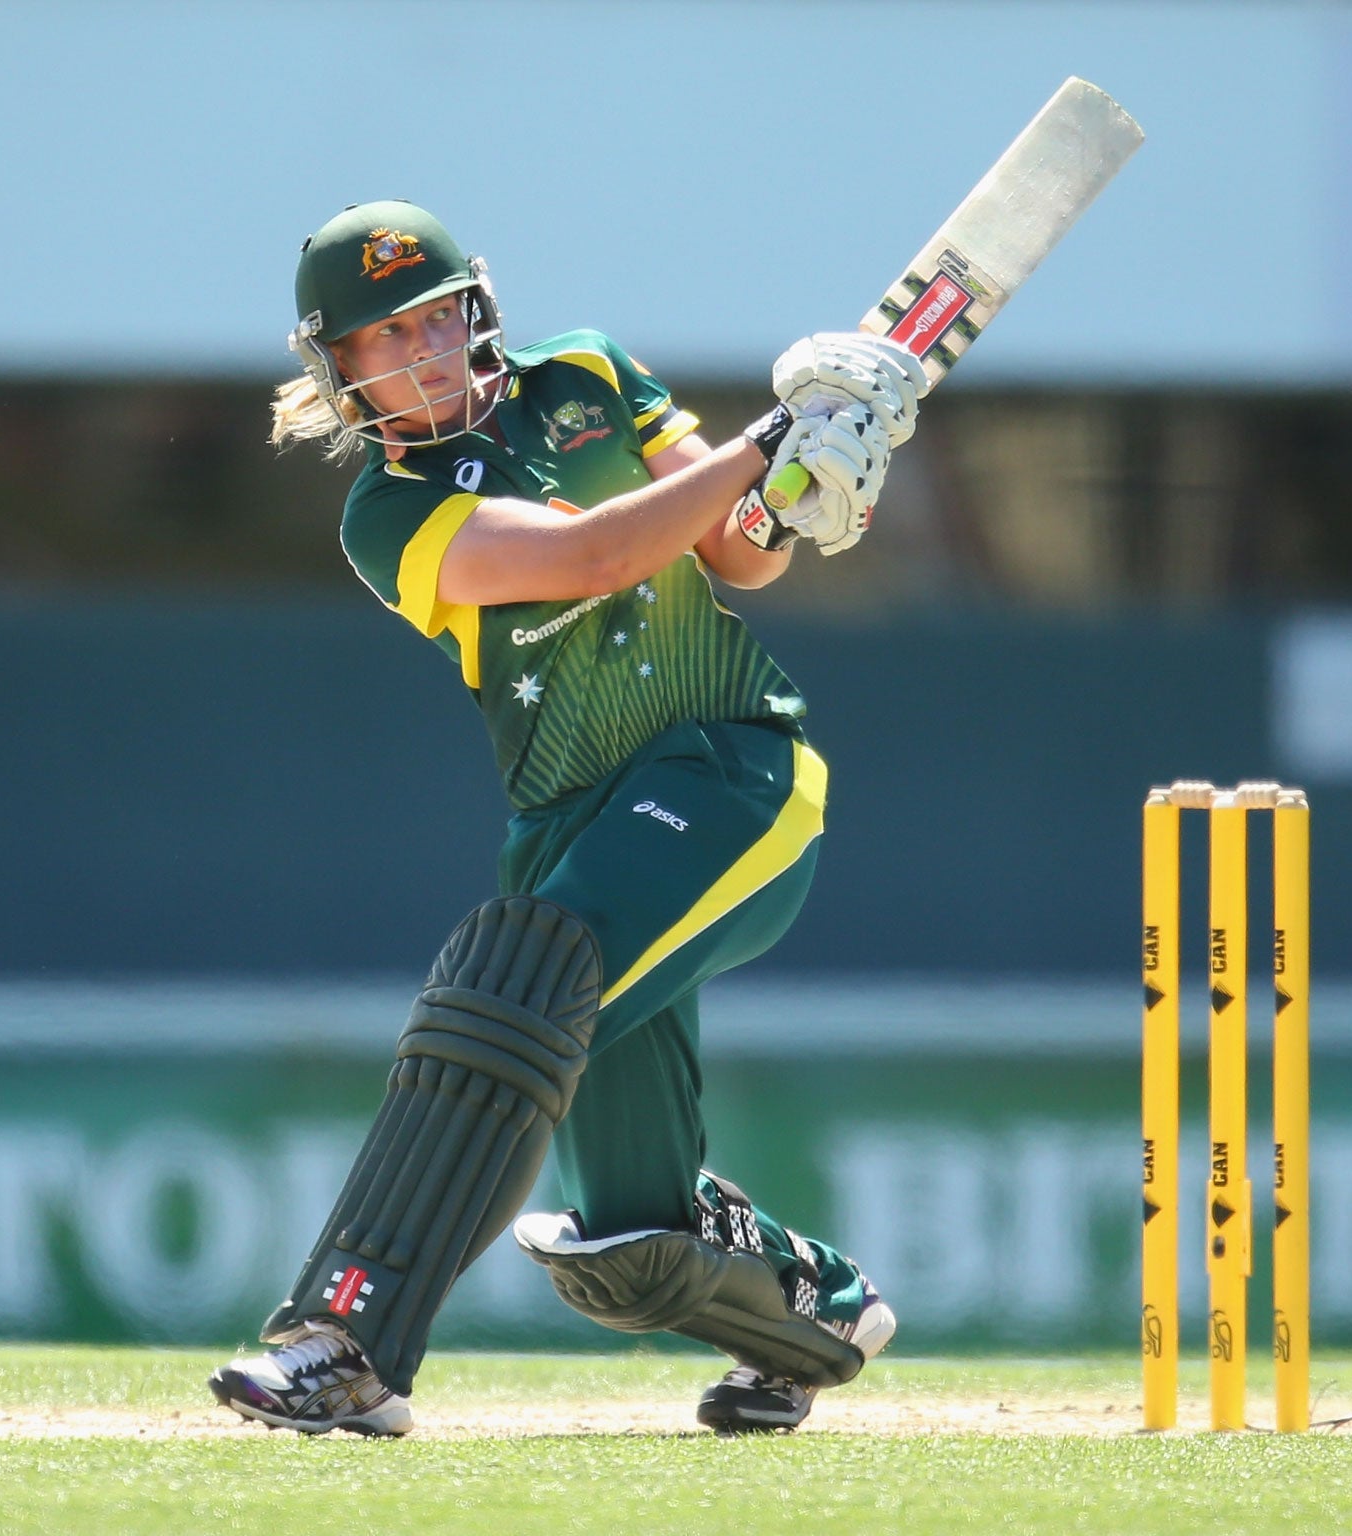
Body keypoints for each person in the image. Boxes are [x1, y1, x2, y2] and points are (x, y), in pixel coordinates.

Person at [207, 200, 925, 1436]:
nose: (423, 351)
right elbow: (595, 555)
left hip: (726, 770)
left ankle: (348, 1343)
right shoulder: (386, 515)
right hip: (573, 815)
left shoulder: (586, 375)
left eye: (436, 317)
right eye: (387, 339)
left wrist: (806, 485)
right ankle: (811, 1313)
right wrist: (770, 439)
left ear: (478, 310)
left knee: (511, 994)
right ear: (340, 373)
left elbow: (735, 556)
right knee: (628, 1239)